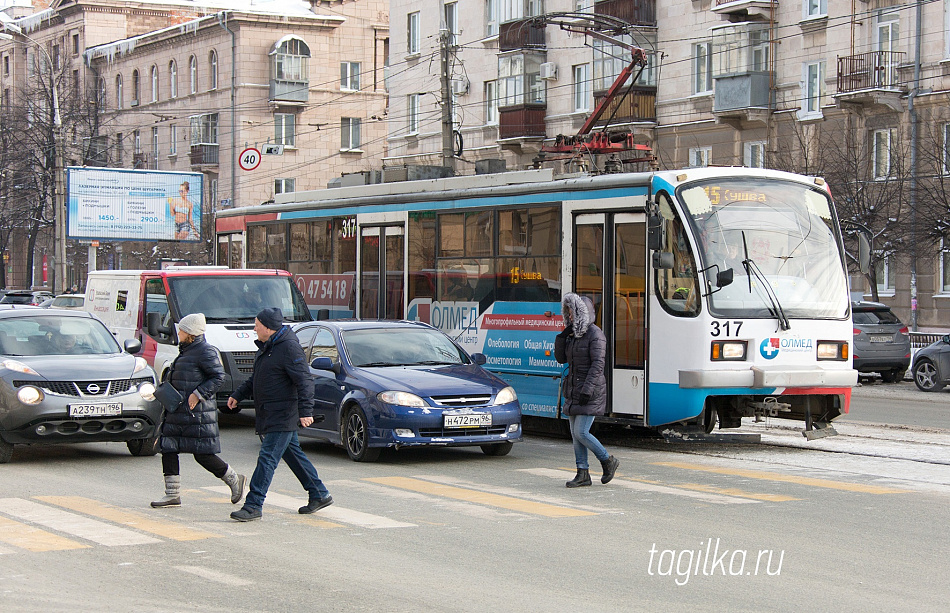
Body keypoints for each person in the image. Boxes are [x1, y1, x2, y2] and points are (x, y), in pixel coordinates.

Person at [226, 307, 332, 521]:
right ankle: (319, 493)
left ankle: (253, 505)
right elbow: (257, 378)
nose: (254, 328)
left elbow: (304, 380)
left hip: (283, 413)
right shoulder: (267, 347)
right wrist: (238, 394)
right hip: (271, 412)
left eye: (257, 324)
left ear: (268, 327)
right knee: (292, 454)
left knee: (267, 458)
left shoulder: (288, 348)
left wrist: (305, 411)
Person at [151, 313, 246, 508]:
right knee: (168, 447)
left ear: (191, 333)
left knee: (203, 454)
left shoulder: (205, 351)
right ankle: (172, 494)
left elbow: (219, 377)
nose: (178, 333)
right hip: (178, 410)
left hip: (196, 413)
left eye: (182, 330)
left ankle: (235, 480)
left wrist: (198, 394)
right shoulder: (187, 350)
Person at [554, 293, 619, 488]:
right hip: (574, 389)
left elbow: (598, 364)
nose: (570, 316)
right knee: (575, 434)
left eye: (573, 312)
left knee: (582, 432)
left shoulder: (595, 334)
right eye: (568, 312)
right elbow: (561, 359)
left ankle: (608, 461)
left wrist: (587, 390)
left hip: (589, 391)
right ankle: (582, 473)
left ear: (583, 312)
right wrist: (562, 337)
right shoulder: (574, 335)